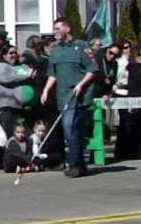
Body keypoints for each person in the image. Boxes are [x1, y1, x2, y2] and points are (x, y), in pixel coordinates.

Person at [41, 16, 99, 178]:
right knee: (74, 131)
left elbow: (92, 70)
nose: (55, 32)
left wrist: (81, 84)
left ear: (67, 28)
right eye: (54, 29)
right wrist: (46, 90)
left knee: (70, 127)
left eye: (58, 29)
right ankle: (80, 164)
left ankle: (74, 165)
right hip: (62, 95)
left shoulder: (81, 47)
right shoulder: (55, 50)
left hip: (79, 96)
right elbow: (53, 74)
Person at [0, 46, 34, 135]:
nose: (14, 55)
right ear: (4, 55)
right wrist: (27, 74)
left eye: (15, 53)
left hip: (17, 107)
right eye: (11, 53)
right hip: (5, 108)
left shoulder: (16, 68)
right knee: (8, 133)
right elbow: (7, 76)